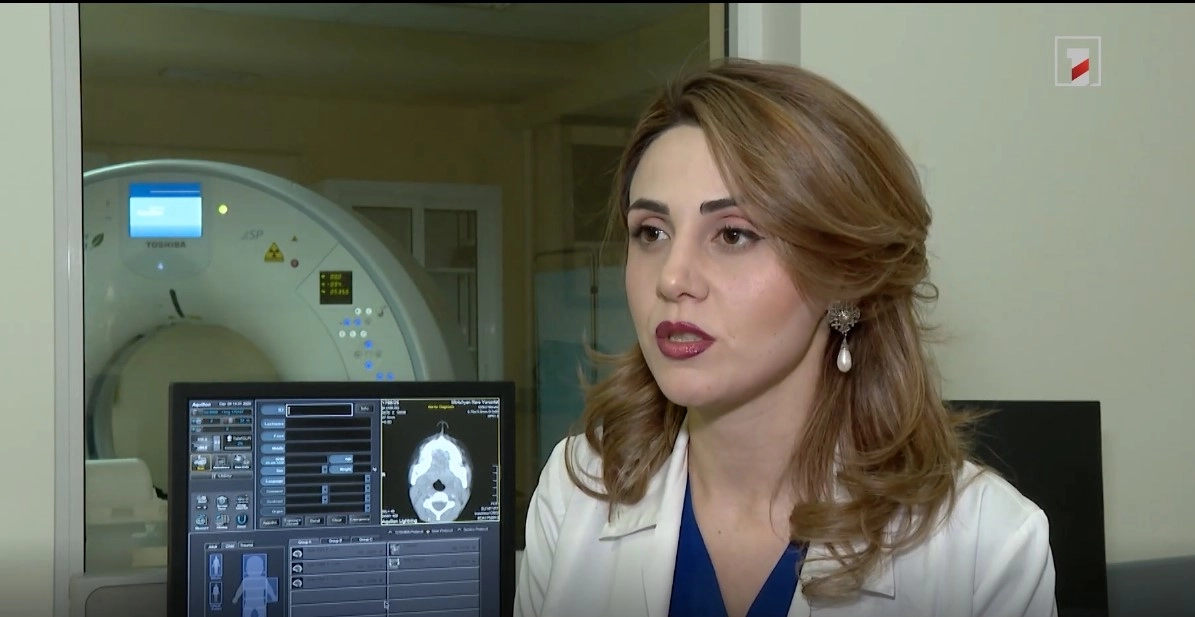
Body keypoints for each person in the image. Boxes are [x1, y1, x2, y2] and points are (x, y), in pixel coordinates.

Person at [515, 58, 1057, 617]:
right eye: (651, 232)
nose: (672, 278)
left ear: (846, 273)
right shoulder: (574, 491)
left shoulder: (987, 547)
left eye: (732, 234)